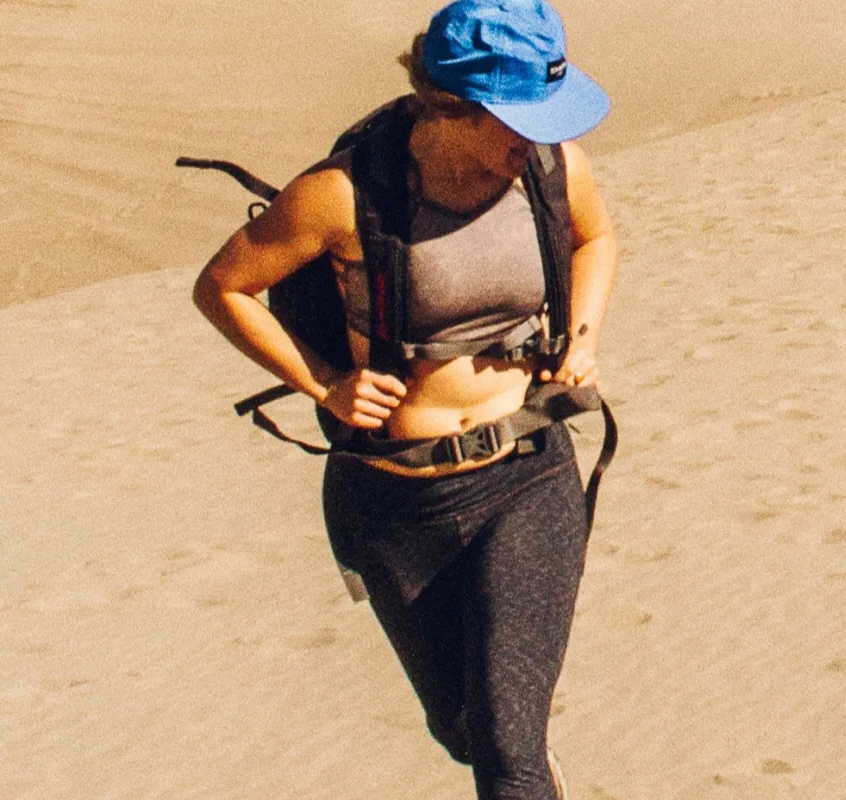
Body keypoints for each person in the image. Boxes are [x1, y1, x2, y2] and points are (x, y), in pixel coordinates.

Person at [189, 1, 615, 797]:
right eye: (519, 120)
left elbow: (596, 237)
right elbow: (224, 288)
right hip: (393, 502)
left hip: (527, 471)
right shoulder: (341, 198)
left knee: (505, 739)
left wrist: (581, 338)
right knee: (461, 730)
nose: (539, 139)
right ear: (453, 107)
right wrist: (323, 383)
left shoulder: (554, 168)